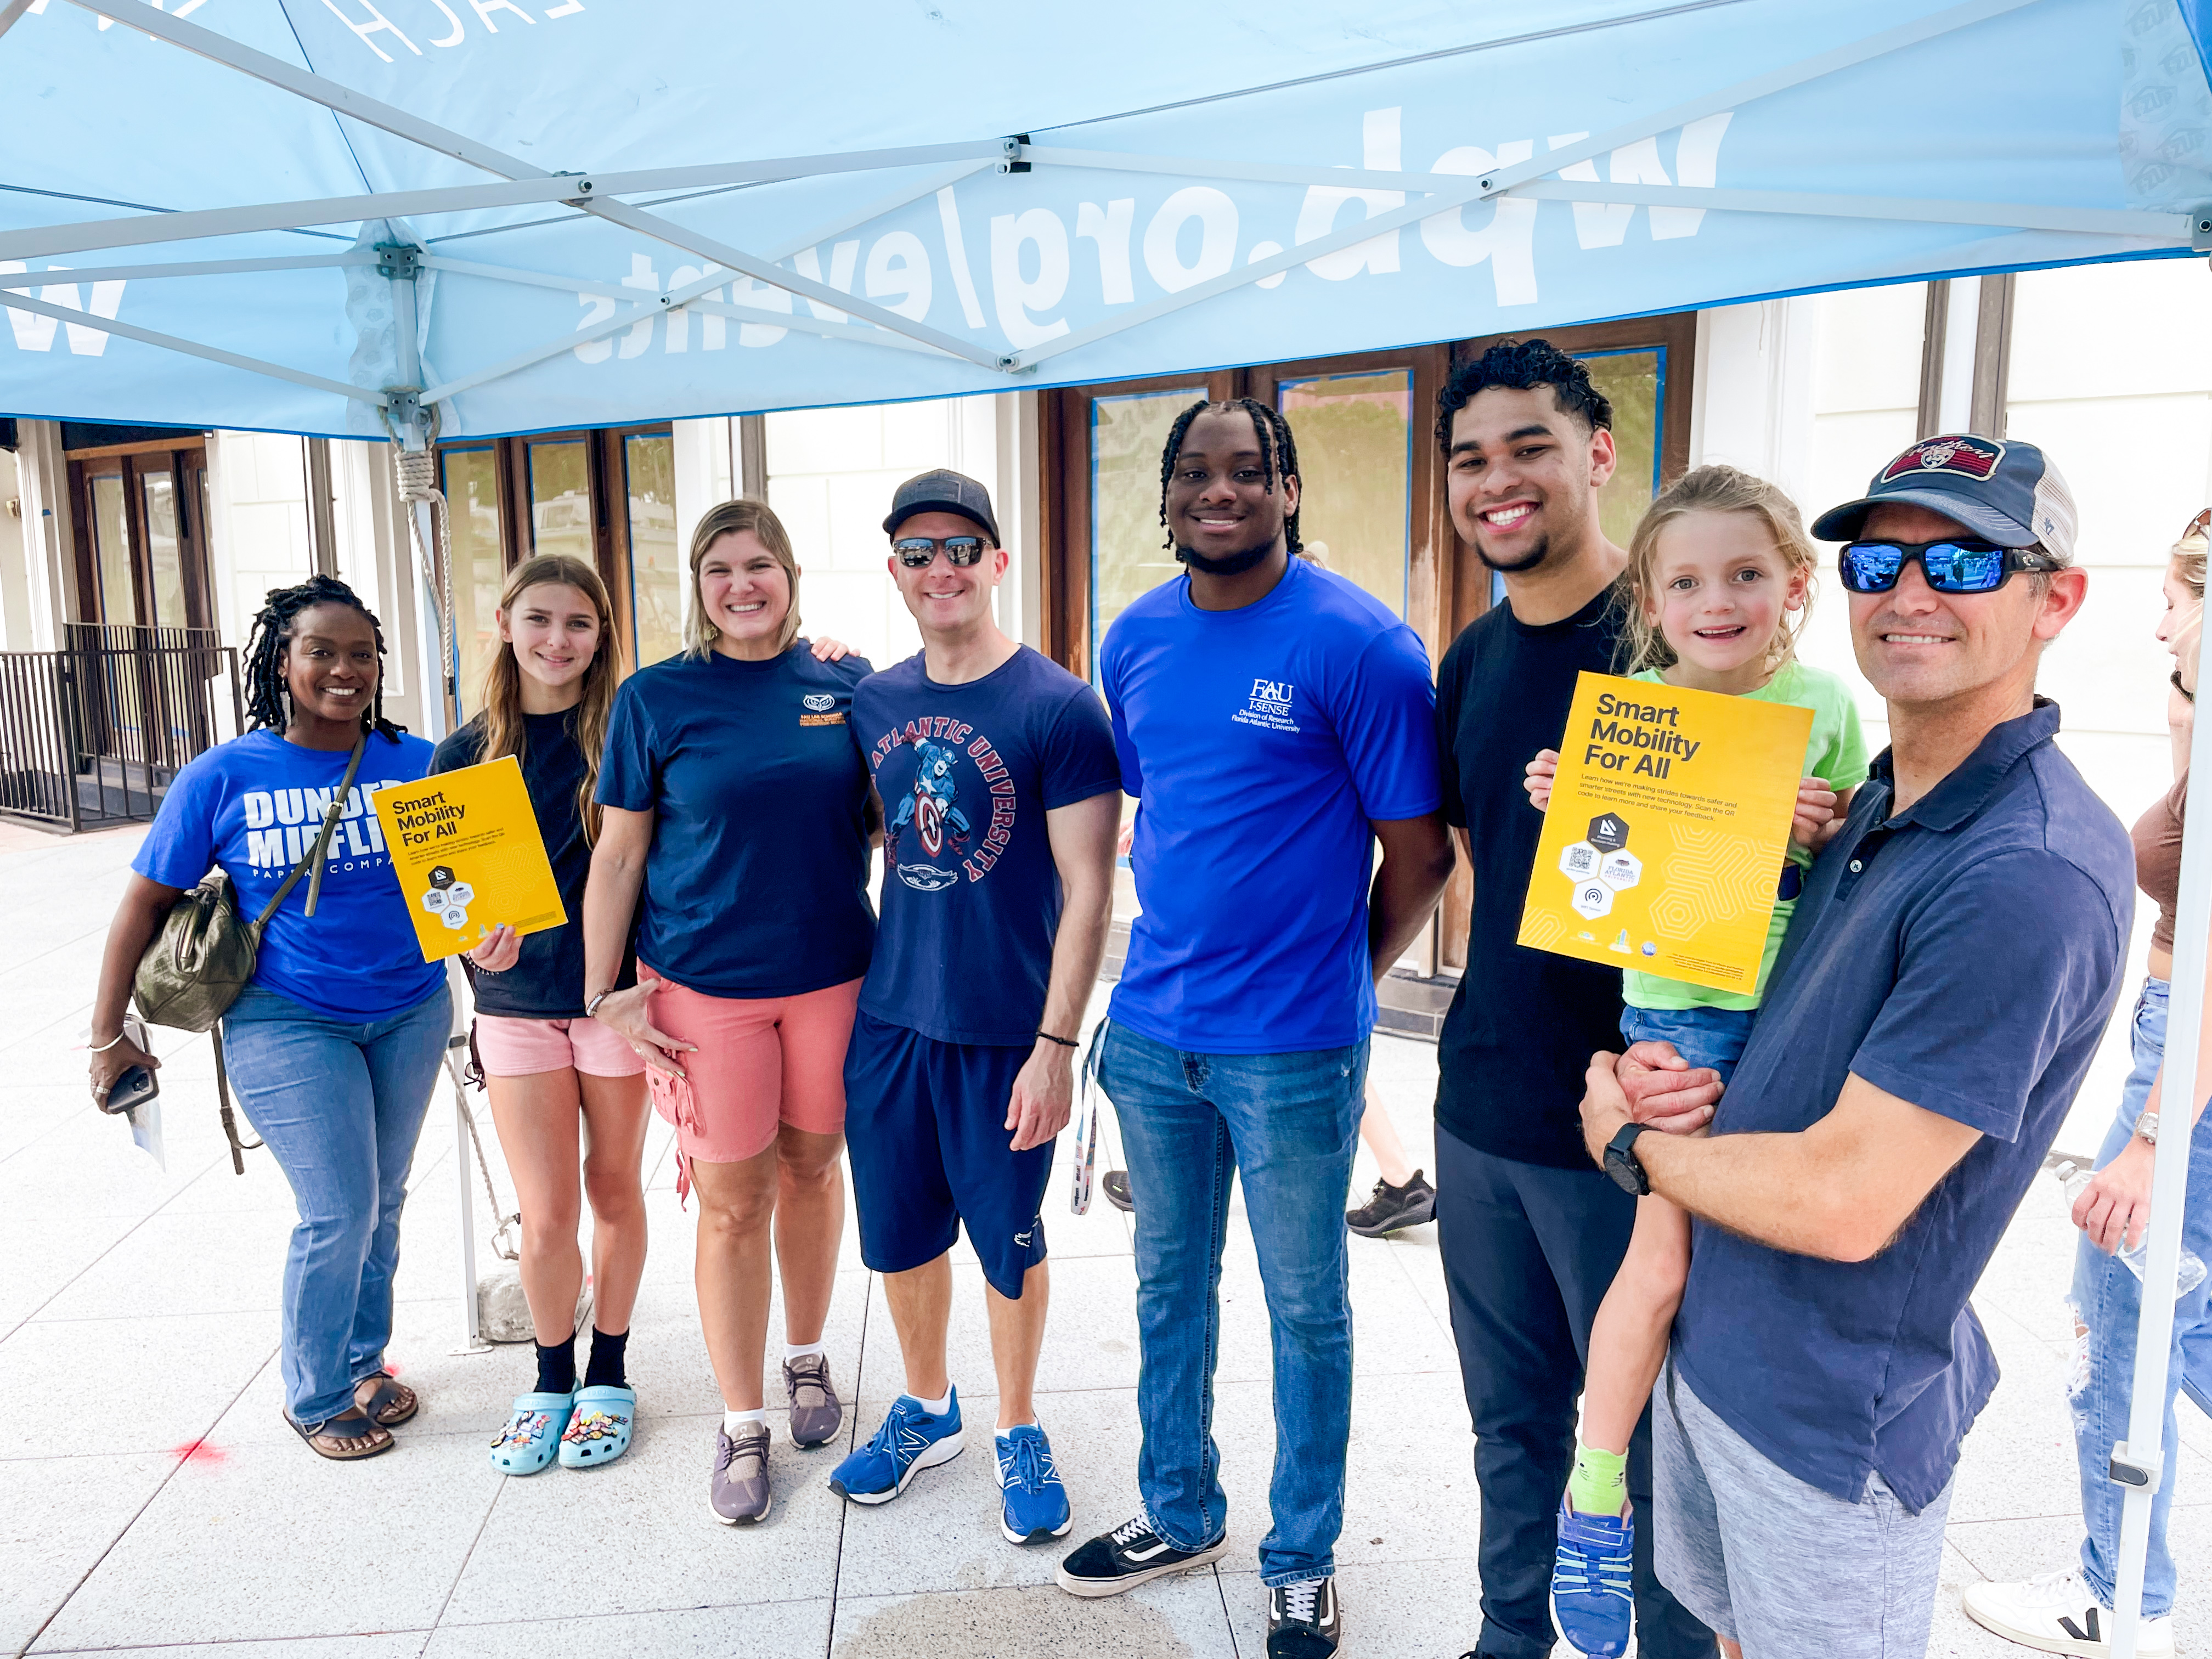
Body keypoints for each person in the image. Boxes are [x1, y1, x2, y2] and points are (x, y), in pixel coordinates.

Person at [1577, 433, 2131, 1659]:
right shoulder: (1882, 798)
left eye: (1969, 563)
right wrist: (1658, 1075)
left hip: (1826, 1424)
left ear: (2059, 601)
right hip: (1723, 1357)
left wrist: (1628, 1144)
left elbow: (1843, 1201)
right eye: (1882, 563)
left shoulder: (2022, 872)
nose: (1913, 592)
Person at [1056, 400, 1454, 1659]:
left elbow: (1423, 854)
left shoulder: (1362, 646)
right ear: (1166, 497)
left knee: (1307, 1308)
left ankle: (1303, 1554)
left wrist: (1341, 970)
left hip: (1292, 1053)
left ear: (1288, 488)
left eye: (1245, 471)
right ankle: (1179, 1508)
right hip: (1155, 1034)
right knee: (1170, 1290)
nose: (1216, 492)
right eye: (1192, 473)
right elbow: (1155, 804)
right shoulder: (1134, 639)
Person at [1519, 466, 1866, 1657]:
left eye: (1747, 575)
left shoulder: (1824, 702)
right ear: (1650, 599)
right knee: (1662, 1264)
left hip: (1798, 1016)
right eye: (1688, 581)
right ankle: (1597, 1495)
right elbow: (1597, 863)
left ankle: (1732, 1564)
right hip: (1683, 1022)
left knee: (1757, 1294)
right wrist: (1563, 799)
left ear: (1795, 586)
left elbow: (1853, 880)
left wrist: (1821, 830)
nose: (1718, 601)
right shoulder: (1632, 703)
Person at [1427, 339, 1717, 1659]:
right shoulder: (1471, 663)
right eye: (1472, 459)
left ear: (1600, 455)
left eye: (1531, 446)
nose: (1501, 481)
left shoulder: (1682, 648)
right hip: (1482, 1103)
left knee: (1644, 1432)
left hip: (1632, 1128)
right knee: (1512, 1419)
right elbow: (1488, 865)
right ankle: (1509, 1632)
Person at [86, 575, 449, 1460]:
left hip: (411, 1008)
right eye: (321, 651)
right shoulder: (226, 774)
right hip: (288, 1017)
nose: (344, 669)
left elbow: (464, 887)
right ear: (281, 662)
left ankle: (365, 1361)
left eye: (361, 653)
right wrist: (108, 1032)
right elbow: (141, 905)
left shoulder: (424, 760)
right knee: (340, 1206)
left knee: (385, 1199)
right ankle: (316, 1392)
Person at [831, 469, 1120, 1553]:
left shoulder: (1057, 705)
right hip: (893, 1018)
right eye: (918, 552)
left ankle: (1018, 1423)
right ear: (896, 571)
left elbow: (1090, 888)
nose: (940, 568)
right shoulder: (871, 701)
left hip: (1008, 1028)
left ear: (999, 562)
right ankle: (927, 1405)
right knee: (901, 1236)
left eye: (961, 549)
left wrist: (1056, 1046)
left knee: (1007, 1242)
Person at [583, 500, 872, 1525]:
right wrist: (601, 990)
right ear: (697, 587)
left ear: (791, 574)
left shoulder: (847, 684)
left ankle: (806, 1358)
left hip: (834, 977)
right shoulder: (656, 699)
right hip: (706, 992)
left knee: (812, 1169)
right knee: (732, 1200)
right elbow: (619, 852)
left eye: (759, 566)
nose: (741, 585)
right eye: (719, 570)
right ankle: (741, 1416)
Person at [1963, 510, 2209, 1658]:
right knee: (2181, 1312)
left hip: (2192, 1062)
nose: (2159, 618)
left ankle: (2123, 1599)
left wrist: (2155, 1133)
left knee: (2123, 1311)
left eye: (2176, 596)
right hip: (2186, 1045)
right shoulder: (2194, 708)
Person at [432, 555, 652, 1476]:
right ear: (505, 623)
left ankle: (610, 1370)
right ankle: (550, 1377)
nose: (558, 640)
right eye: (541, 620)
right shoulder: (465, 753)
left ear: (602, 636)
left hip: (612, 1003)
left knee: (612, 1188)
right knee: (546, 1209)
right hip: (516, 1008)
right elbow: (446, 899)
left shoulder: (627, 734)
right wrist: (470, 941)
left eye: (579, 623)